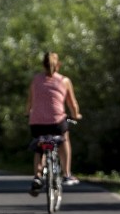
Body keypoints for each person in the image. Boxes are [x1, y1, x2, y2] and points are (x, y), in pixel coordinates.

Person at [26, 52, 82, 196]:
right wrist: (76, 116)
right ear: (58, 65)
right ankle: (67, 173)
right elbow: (72, 104)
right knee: (64, 140)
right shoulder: (64, 80)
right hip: (56, 122)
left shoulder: (36, 80)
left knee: (40, 147)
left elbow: (29, 104)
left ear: (43, 65)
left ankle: (38, 176)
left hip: (37, 122)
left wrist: (27, 113)